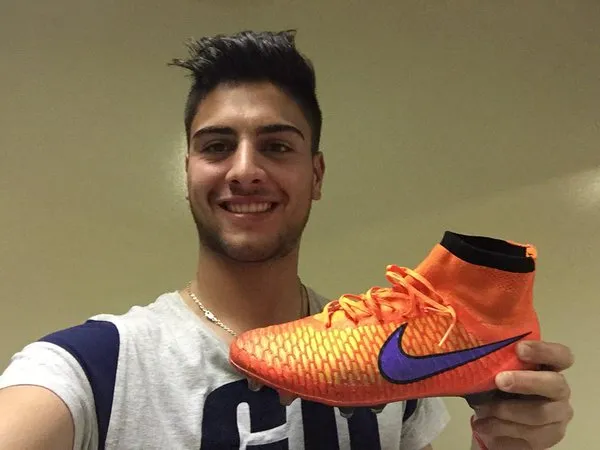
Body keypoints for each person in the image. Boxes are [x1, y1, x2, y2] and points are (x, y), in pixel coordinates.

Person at [0, 30, 574, 450]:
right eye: (217, 146)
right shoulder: (94, 365)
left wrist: (506, 444)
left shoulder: (392, 361)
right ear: (188, 172)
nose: (245, 170)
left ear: (315, 175)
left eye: (276, 146)